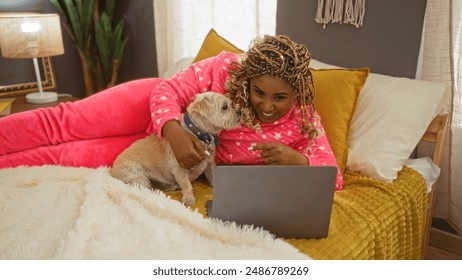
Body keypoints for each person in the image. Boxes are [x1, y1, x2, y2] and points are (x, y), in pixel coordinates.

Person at [0, 34, 342, 190]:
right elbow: (167, 89)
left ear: (297, 94)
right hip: (148, 111)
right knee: (61, 121)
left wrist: (299, 161)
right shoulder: (228, 68)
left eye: (280, 98)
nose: (266, 106)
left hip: (156, 157)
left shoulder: (304, 121)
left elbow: (333, 175)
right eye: (258, 93)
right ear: (248, 79)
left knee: (69, 156)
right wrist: (173, 130)